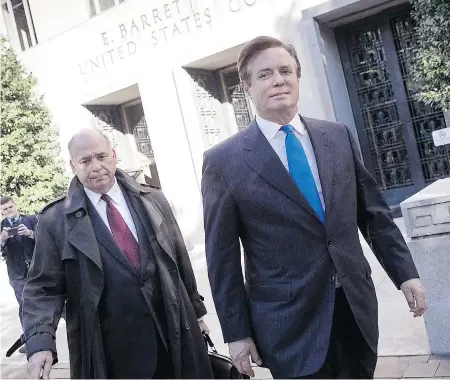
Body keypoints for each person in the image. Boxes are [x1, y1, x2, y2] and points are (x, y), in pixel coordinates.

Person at [201, 36, 428, 379]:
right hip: (288, 325)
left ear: (297, 77)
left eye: (285, 70)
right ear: (247, 86)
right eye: (265, 75)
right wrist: (237, 333)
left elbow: (374, 215)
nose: (278, 80)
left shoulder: (335, 136)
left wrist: (405, 273)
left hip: (354, 308)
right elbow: (222, 259)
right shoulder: (224, 161)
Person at [22, 128, 213, 379]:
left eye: (101, 156)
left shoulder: (152, 199)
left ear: (114, 156)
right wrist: (40, 344)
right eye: (85, 160)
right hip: (110, 356)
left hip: (174, 337)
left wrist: (197, 314)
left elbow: (179, 260)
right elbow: (43, 289)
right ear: (72, 165)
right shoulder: (55, 221)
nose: (96, 166)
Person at [1, 196, 37, 354]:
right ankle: (30, 342)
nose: (9, 210)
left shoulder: (31, 219)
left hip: (37, 269)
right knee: (24, 306)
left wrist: (29, 233)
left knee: (51, 303)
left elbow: (45, 239)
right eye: (5, 209)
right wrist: (2, 240)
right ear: (1, 212)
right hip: (17, 274)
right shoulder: (2, 226)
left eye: (10, 207)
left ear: (15, 206)